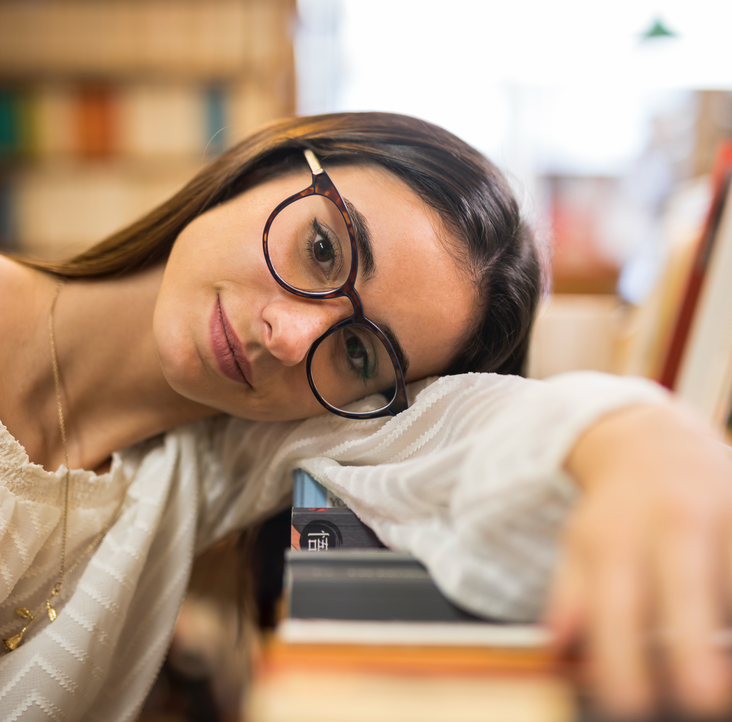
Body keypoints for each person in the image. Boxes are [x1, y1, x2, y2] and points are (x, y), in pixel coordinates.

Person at [0, 111, 729, 721]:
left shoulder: (220, 460)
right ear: (270, 166)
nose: (288, 336)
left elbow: (465, 425)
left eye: (356, 353)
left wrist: (647, 440)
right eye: (322, 249)